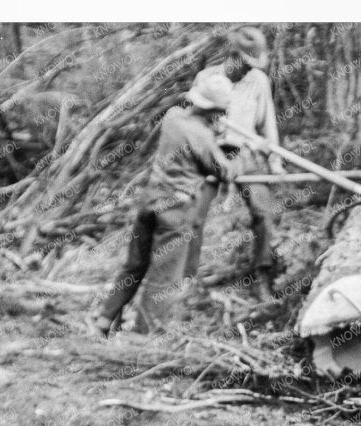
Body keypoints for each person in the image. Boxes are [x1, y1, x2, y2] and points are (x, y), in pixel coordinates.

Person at [93, 68, 234, 337]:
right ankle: (142, 336)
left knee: (135, 265)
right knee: (164, 278)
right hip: (176, 210)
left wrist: (211, 129)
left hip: (150, 201)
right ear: (215, 110)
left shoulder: (173, 117)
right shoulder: (202, 136)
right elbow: (222, 171)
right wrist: (222, 146)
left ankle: (104, 318)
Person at [185, 26, 280, 302]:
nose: (247, 69)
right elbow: (194, 124)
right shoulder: (207, 78)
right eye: (245, 63)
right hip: (211, 154)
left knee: (264, 212)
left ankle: (261, 275)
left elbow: (268, 123)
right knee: (194, 216)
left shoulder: (259, 81)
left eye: (253, 64)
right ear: (233, 55)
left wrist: (274, 158)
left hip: (246, 154)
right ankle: (188, 281)